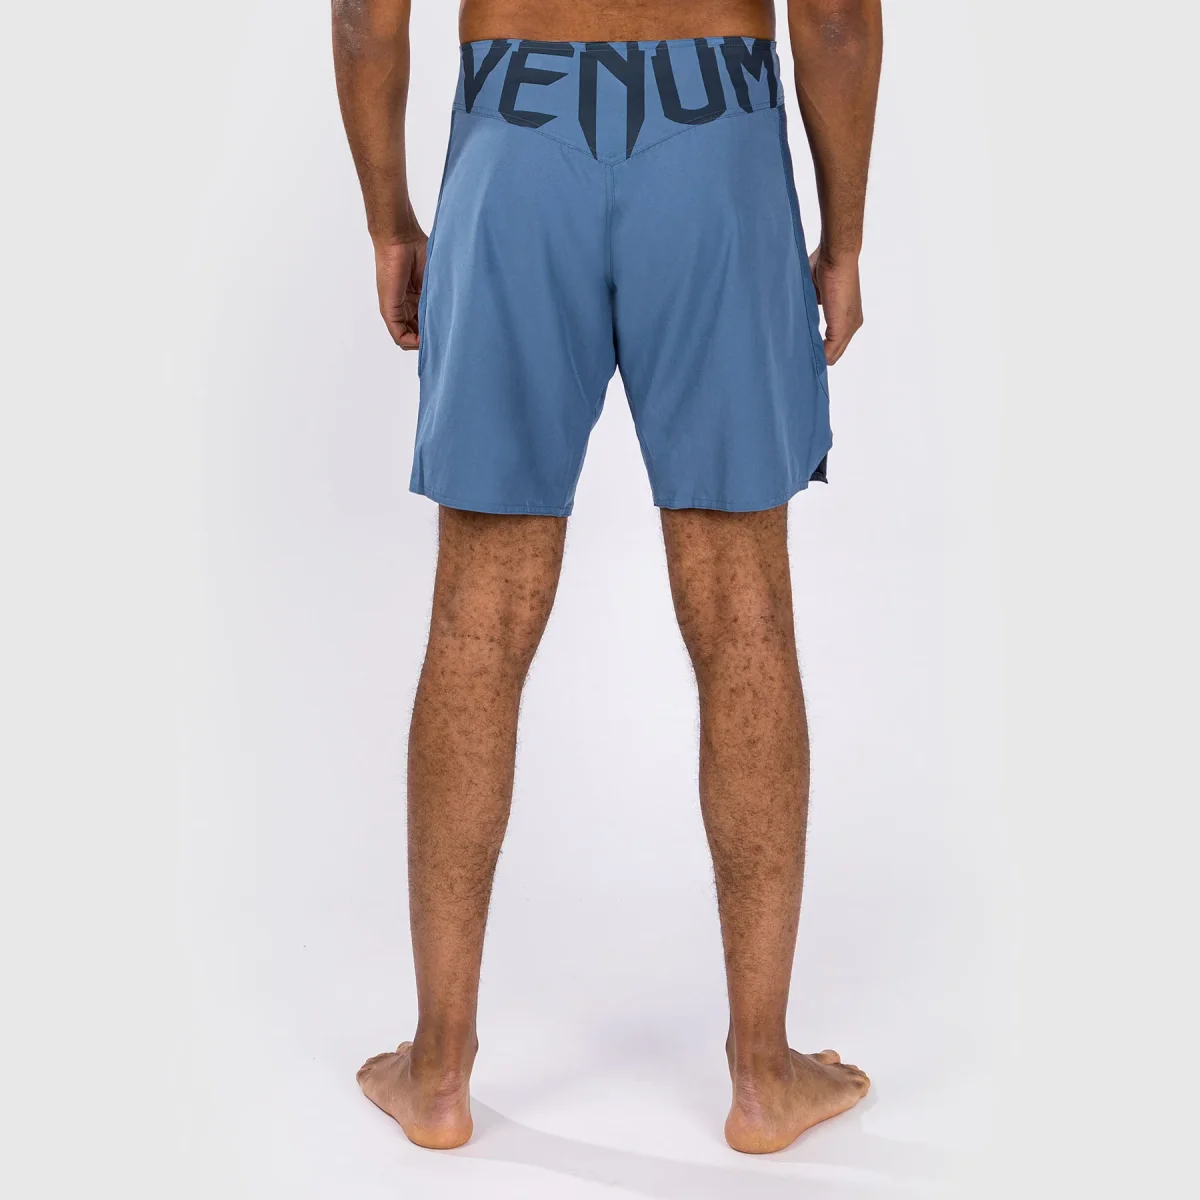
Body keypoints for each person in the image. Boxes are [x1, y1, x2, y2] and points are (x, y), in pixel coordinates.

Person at [333, 0, 883, 1155]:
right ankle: (762, 1075)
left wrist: (389, 221)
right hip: (716, 139)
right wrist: (843, 243)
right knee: (743, 613)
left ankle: (438, 1071)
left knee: (478, 618)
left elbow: (365, 16)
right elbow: (835, 18)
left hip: (515, 136)